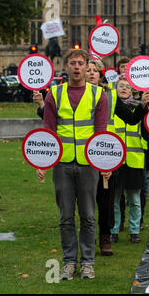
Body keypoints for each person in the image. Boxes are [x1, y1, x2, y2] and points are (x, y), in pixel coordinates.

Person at [38, 48, 110, 280]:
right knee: (66, 217)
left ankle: (87, 262)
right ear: (66, 67)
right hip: (62, 164)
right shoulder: (54, 94)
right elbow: (48, 130)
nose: (77, 67)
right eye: (73, 63)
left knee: (89, 216)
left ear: (87, 65)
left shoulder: (99, 95)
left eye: (81, 63)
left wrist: (104, 163)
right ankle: (69, 262)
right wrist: (42, 161)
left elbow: (101, 132)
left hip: (89, 164)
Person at [111, 75, 149, 244]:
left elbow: (148, 132)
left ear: (132, 90)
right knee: (114, 198)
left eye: (127, 86)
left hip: (134, 159)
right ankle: (114, 229)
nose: (123, 88)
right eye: (120, 85)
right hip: (114, 160)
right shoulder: (110, 106)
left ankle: (134, 230)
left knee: (134, 200)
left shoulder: (140, 107)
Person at [86, 59, 116, 256]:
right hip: (84, 156)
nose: (90, 73)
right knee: (86, 203)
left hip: (106, 154)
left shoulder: (110, 96)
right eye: (87, 70)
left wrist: (144, 104)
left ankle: (105, 237)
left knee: (106, 201)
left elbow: (130, 116)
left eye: (94, 70)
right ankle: (88, 238)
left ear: (100, 74)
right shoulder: (75, 95)